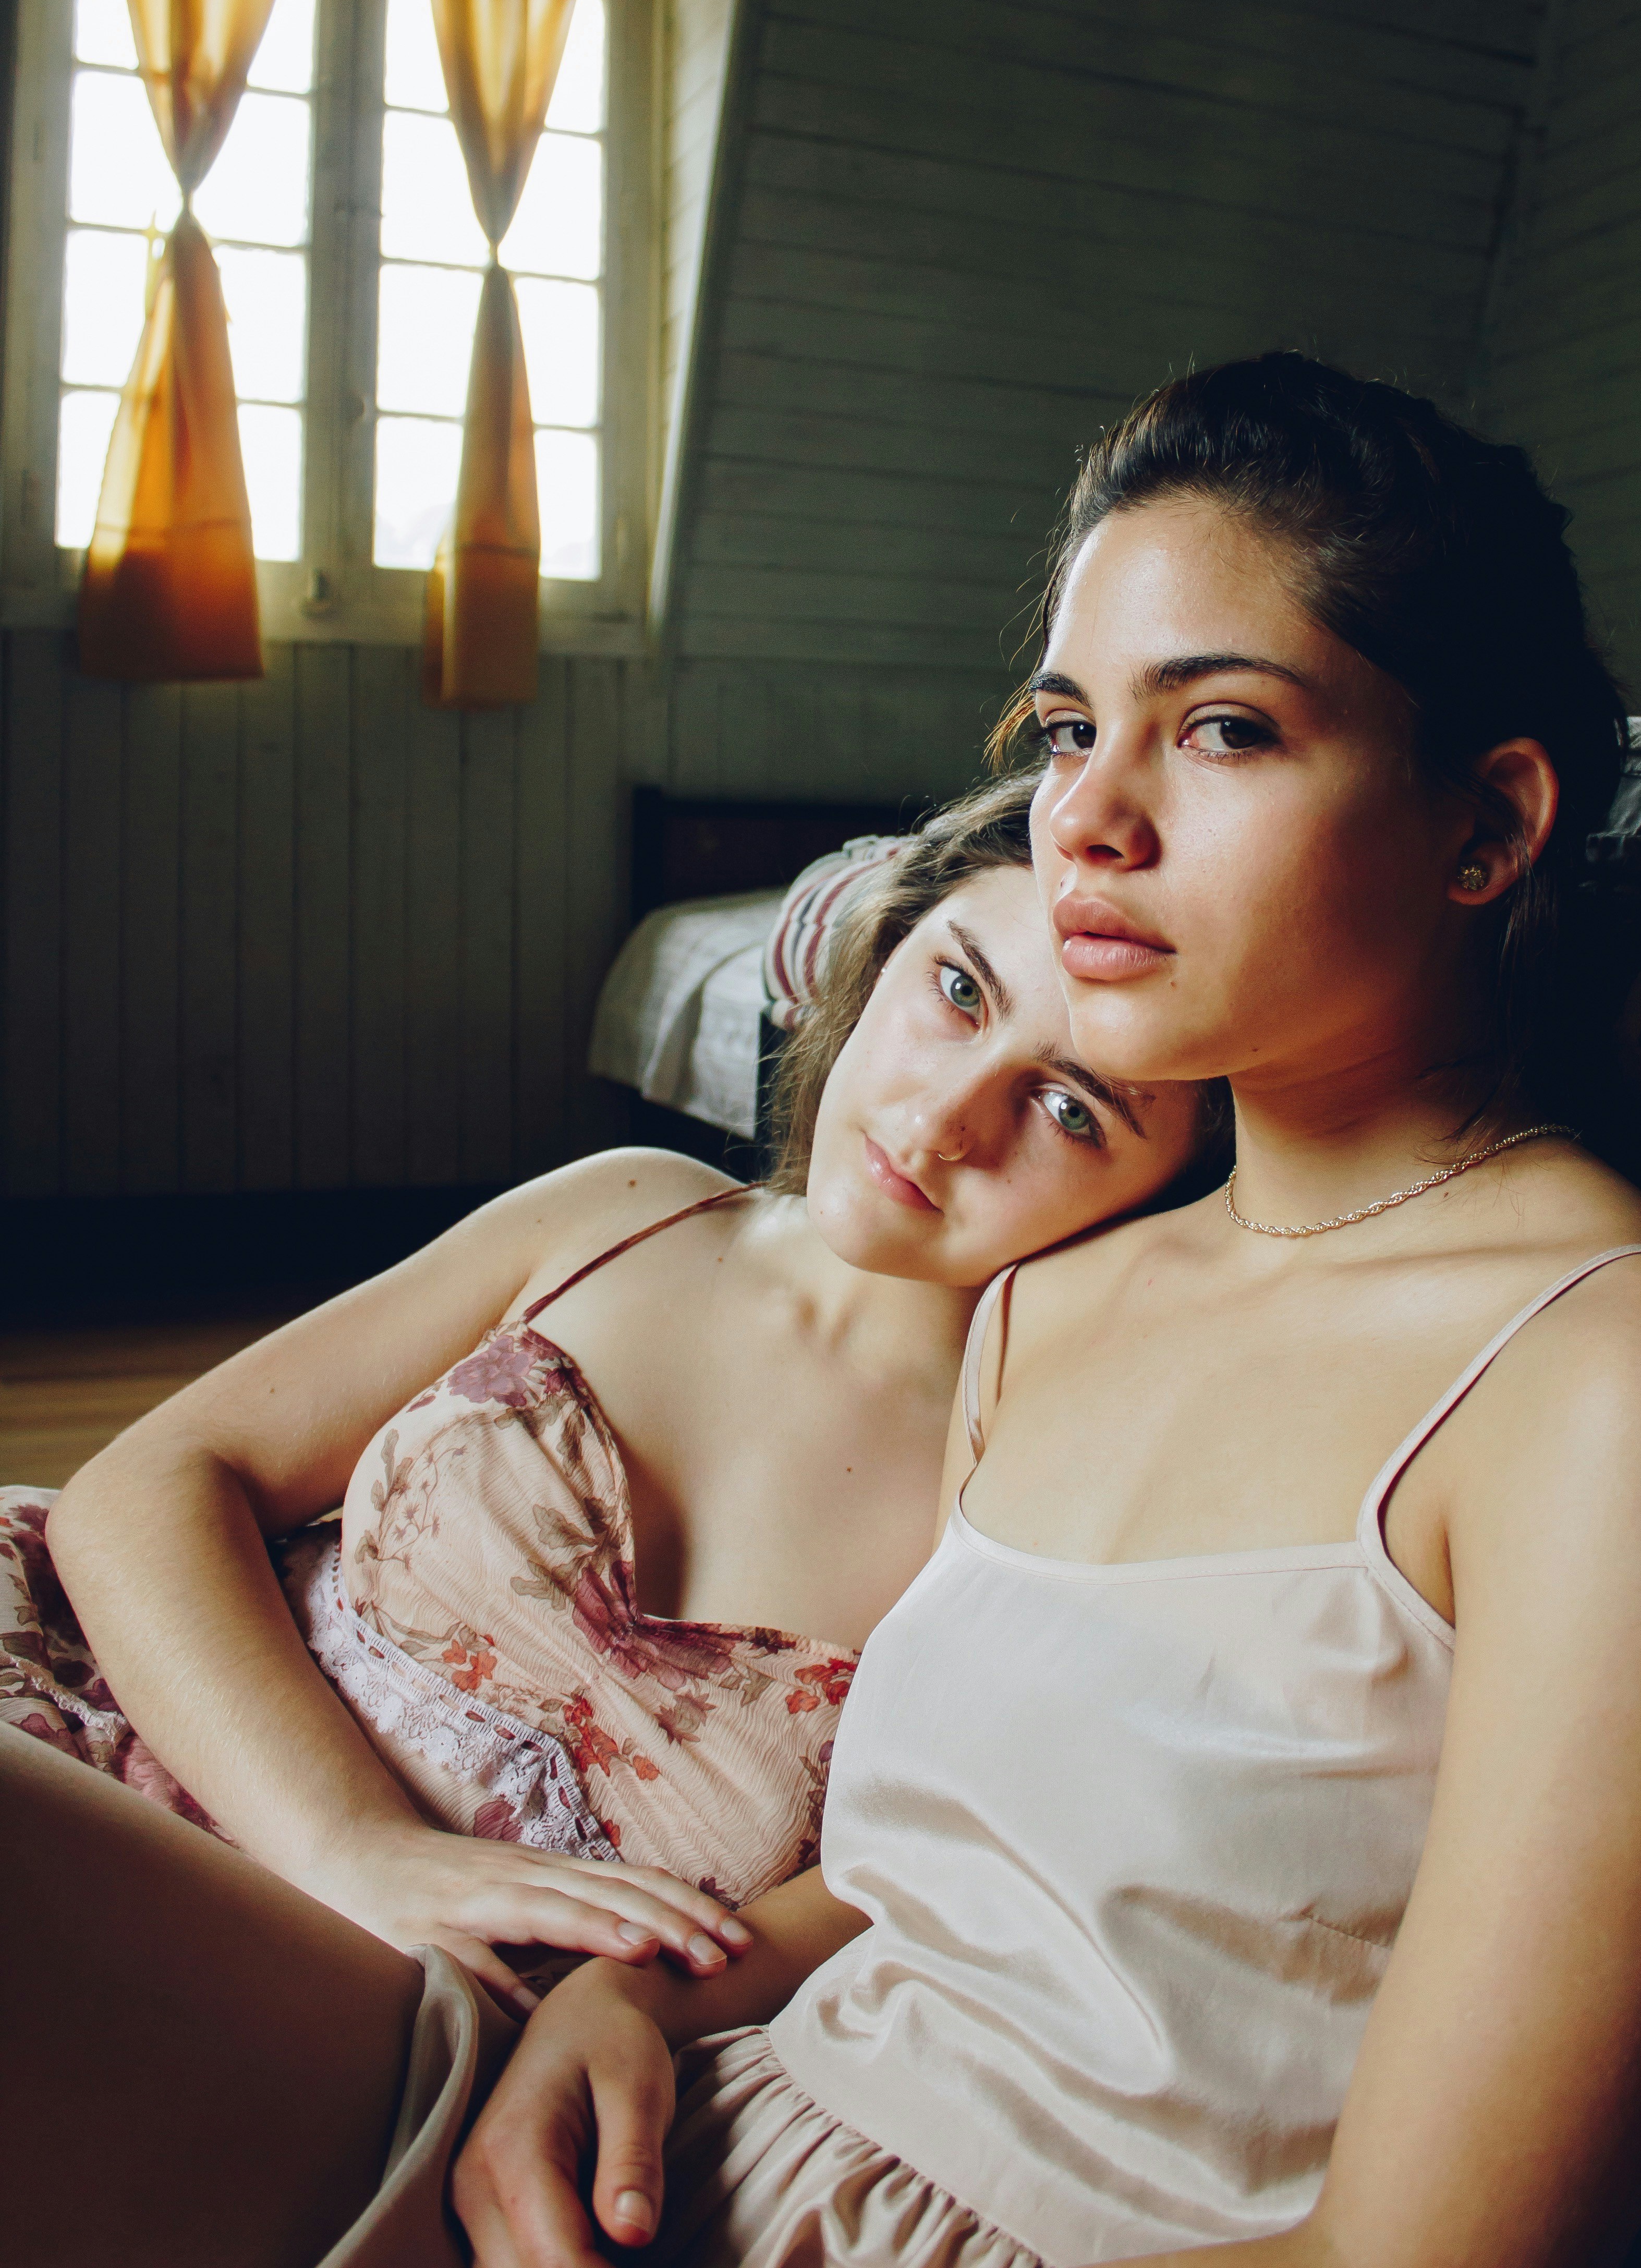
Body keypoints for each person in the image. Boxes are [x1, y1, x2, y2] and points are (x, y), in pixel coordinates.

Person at [4, 355, 1641, 2268]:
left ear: (1484, 827)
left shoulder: (1617, 1379)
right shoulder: (1059, 1301)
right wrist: (648, 1999)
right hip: (647, 2129)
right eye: (1066, 725)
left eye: (1223, 732)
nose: (1087, 819)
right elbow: (925, 1879)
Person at [1, 777, 1202, 2022]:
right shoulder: (631, 1211)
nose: (944, 1120)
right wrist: (348, 1847)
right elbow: (148, 1486)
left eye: (1071, 1108)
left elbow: (926, 1873)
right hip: (116, 1729)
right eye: (959, 990)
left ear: (1169, 1200)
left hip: (381, 2037)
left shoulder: (1033, 1495)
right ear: (894, 942)